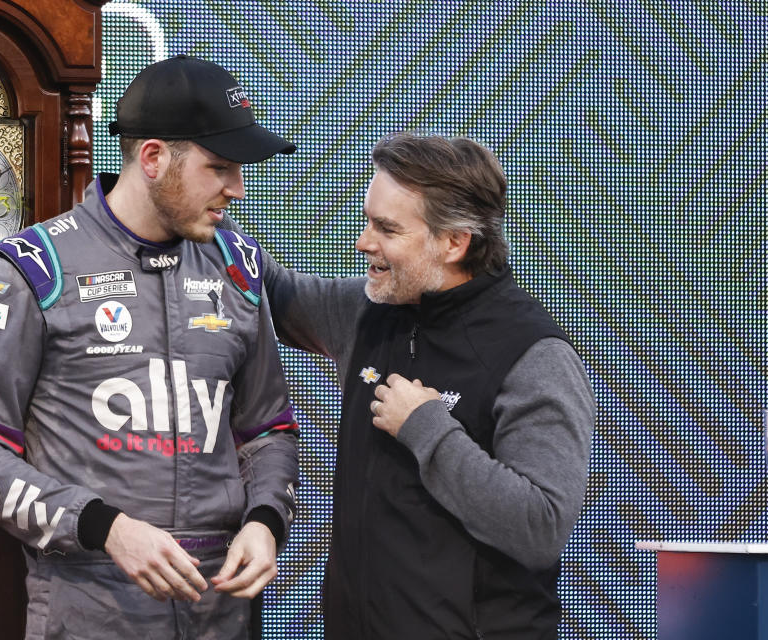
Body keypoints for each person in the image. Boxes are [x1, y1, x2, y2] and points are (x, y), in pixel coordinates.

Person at [0, 55, 300, 640]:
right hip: (91, 607)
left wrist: (265, 522)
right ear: (154, 158)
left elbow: (267, 431)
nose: (236, 189)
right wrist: (105, 528)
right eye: (220, 168)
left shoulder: (239, 264)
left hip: (224, 612)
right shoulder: (31, 270)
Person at [223, 132, 595, 639]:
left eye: (387, 228)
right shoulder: (369, 311)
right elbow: (271, 288)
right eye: (367, 220)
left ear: (454, 242)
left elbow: (539, 528)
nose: (364, 242)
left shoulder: (534, 356)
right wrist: (197, 195)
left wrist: (428, 429)